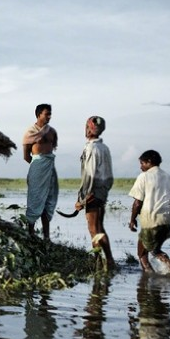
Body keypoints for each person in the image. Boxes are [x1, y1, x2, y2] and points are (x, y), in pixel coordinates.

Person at [128, 150, 170, 273]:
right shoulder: (167, 177)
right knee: (155, 250)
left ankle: (150, 278)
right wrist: (169, 220)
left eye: (142, 163)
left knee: (142, 254)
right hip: (165, 221)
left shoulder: (144, 177)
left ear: (149, 162)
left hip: (150, 222)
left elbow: (137, 202)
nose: (141, 167)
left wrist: (132, 220)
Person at [75, 116, 115, 270]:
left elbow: (89, 175)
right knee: (99, 227)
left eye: (87, 126)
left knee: (94, 229)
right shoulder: (104, 148)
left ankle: (99, 260)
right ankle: (107, 260)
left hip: (93, 192)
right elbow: (109, 176)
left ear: (89, 129)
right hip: (101, 192)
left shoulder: (92, 148)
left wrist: (83, 199)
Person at [22, 103, 58, 241]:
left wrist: (45, 162)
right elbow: (26, 156)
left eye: (50, 113)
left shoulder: (52, 132)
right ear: (38, 115)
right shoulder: (30, 132)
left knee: (48, 200)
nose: (49, 116)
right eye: (46, 113)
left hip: (49, 166)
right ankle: (30, 233)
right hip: (37, 166)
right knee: (35, 198)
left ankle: (46, 236)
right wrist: (38, 165)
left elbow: (51, 148)